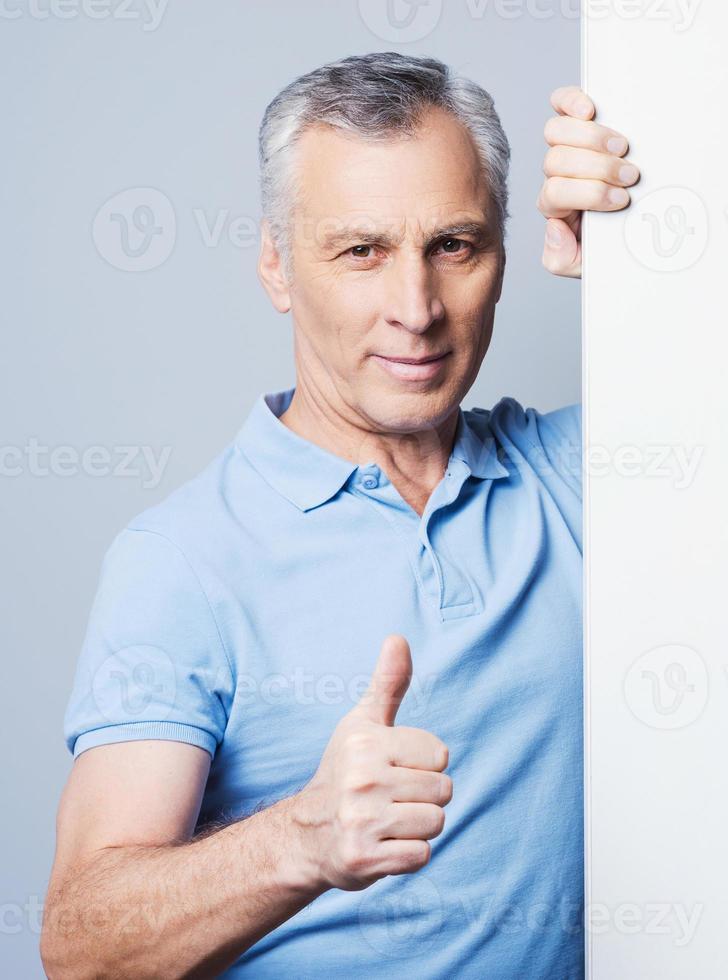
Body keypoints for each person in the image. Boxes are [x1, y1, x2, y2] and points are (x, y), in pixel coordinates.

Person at [40, 52, 631, 978]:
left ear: (505, 257)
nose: (416, 309)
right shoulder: (184, 559)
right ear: (277, 264)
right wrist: (302, 840)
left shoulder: (584, 479)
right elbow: (80, 948)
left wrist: (650, 271)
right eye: (361, 251)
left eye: (455, 246)